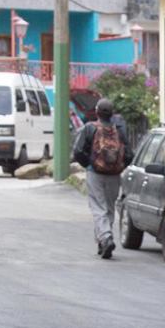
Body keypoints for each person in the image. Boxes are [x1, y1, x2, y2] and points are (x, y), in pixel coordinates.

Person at [70, 97, 132, 258]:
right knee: (109, 208)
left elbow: (77, 151)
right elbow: (130, 154)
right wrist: (118, 167)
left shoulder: (90, 128)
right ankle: (103, 241)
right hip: (114, 175)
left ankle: (105, 237)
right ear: (112, 113)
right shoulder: (119, 130)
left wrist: (90, 164)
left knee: (98, 208)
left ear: (97, 112)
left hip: (95, 174)